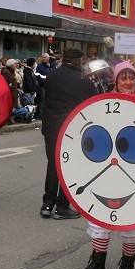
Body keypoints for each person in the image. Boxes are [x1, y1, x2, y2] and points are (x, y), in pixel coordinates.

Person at [75, 62, 135, 269]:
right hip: (106, 166)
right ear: (115, 81)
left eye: (131, 78)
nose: (128, 82)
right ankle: (98, 264)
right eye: (123, 78)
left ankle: (128, 264)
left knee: (132, 216)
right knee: (99, 214)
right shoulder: (103, 102)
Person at [40, 48, 96, 219]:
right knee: (68, 166)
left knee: (52, 164)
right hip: (71, 128)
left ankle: (47, 203)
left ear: (64, 59)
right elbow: (93, 103)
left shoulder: (52, 75)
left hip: (50, 125)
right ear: (79, 61)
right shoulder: (83, 80)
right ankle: (62, 207)